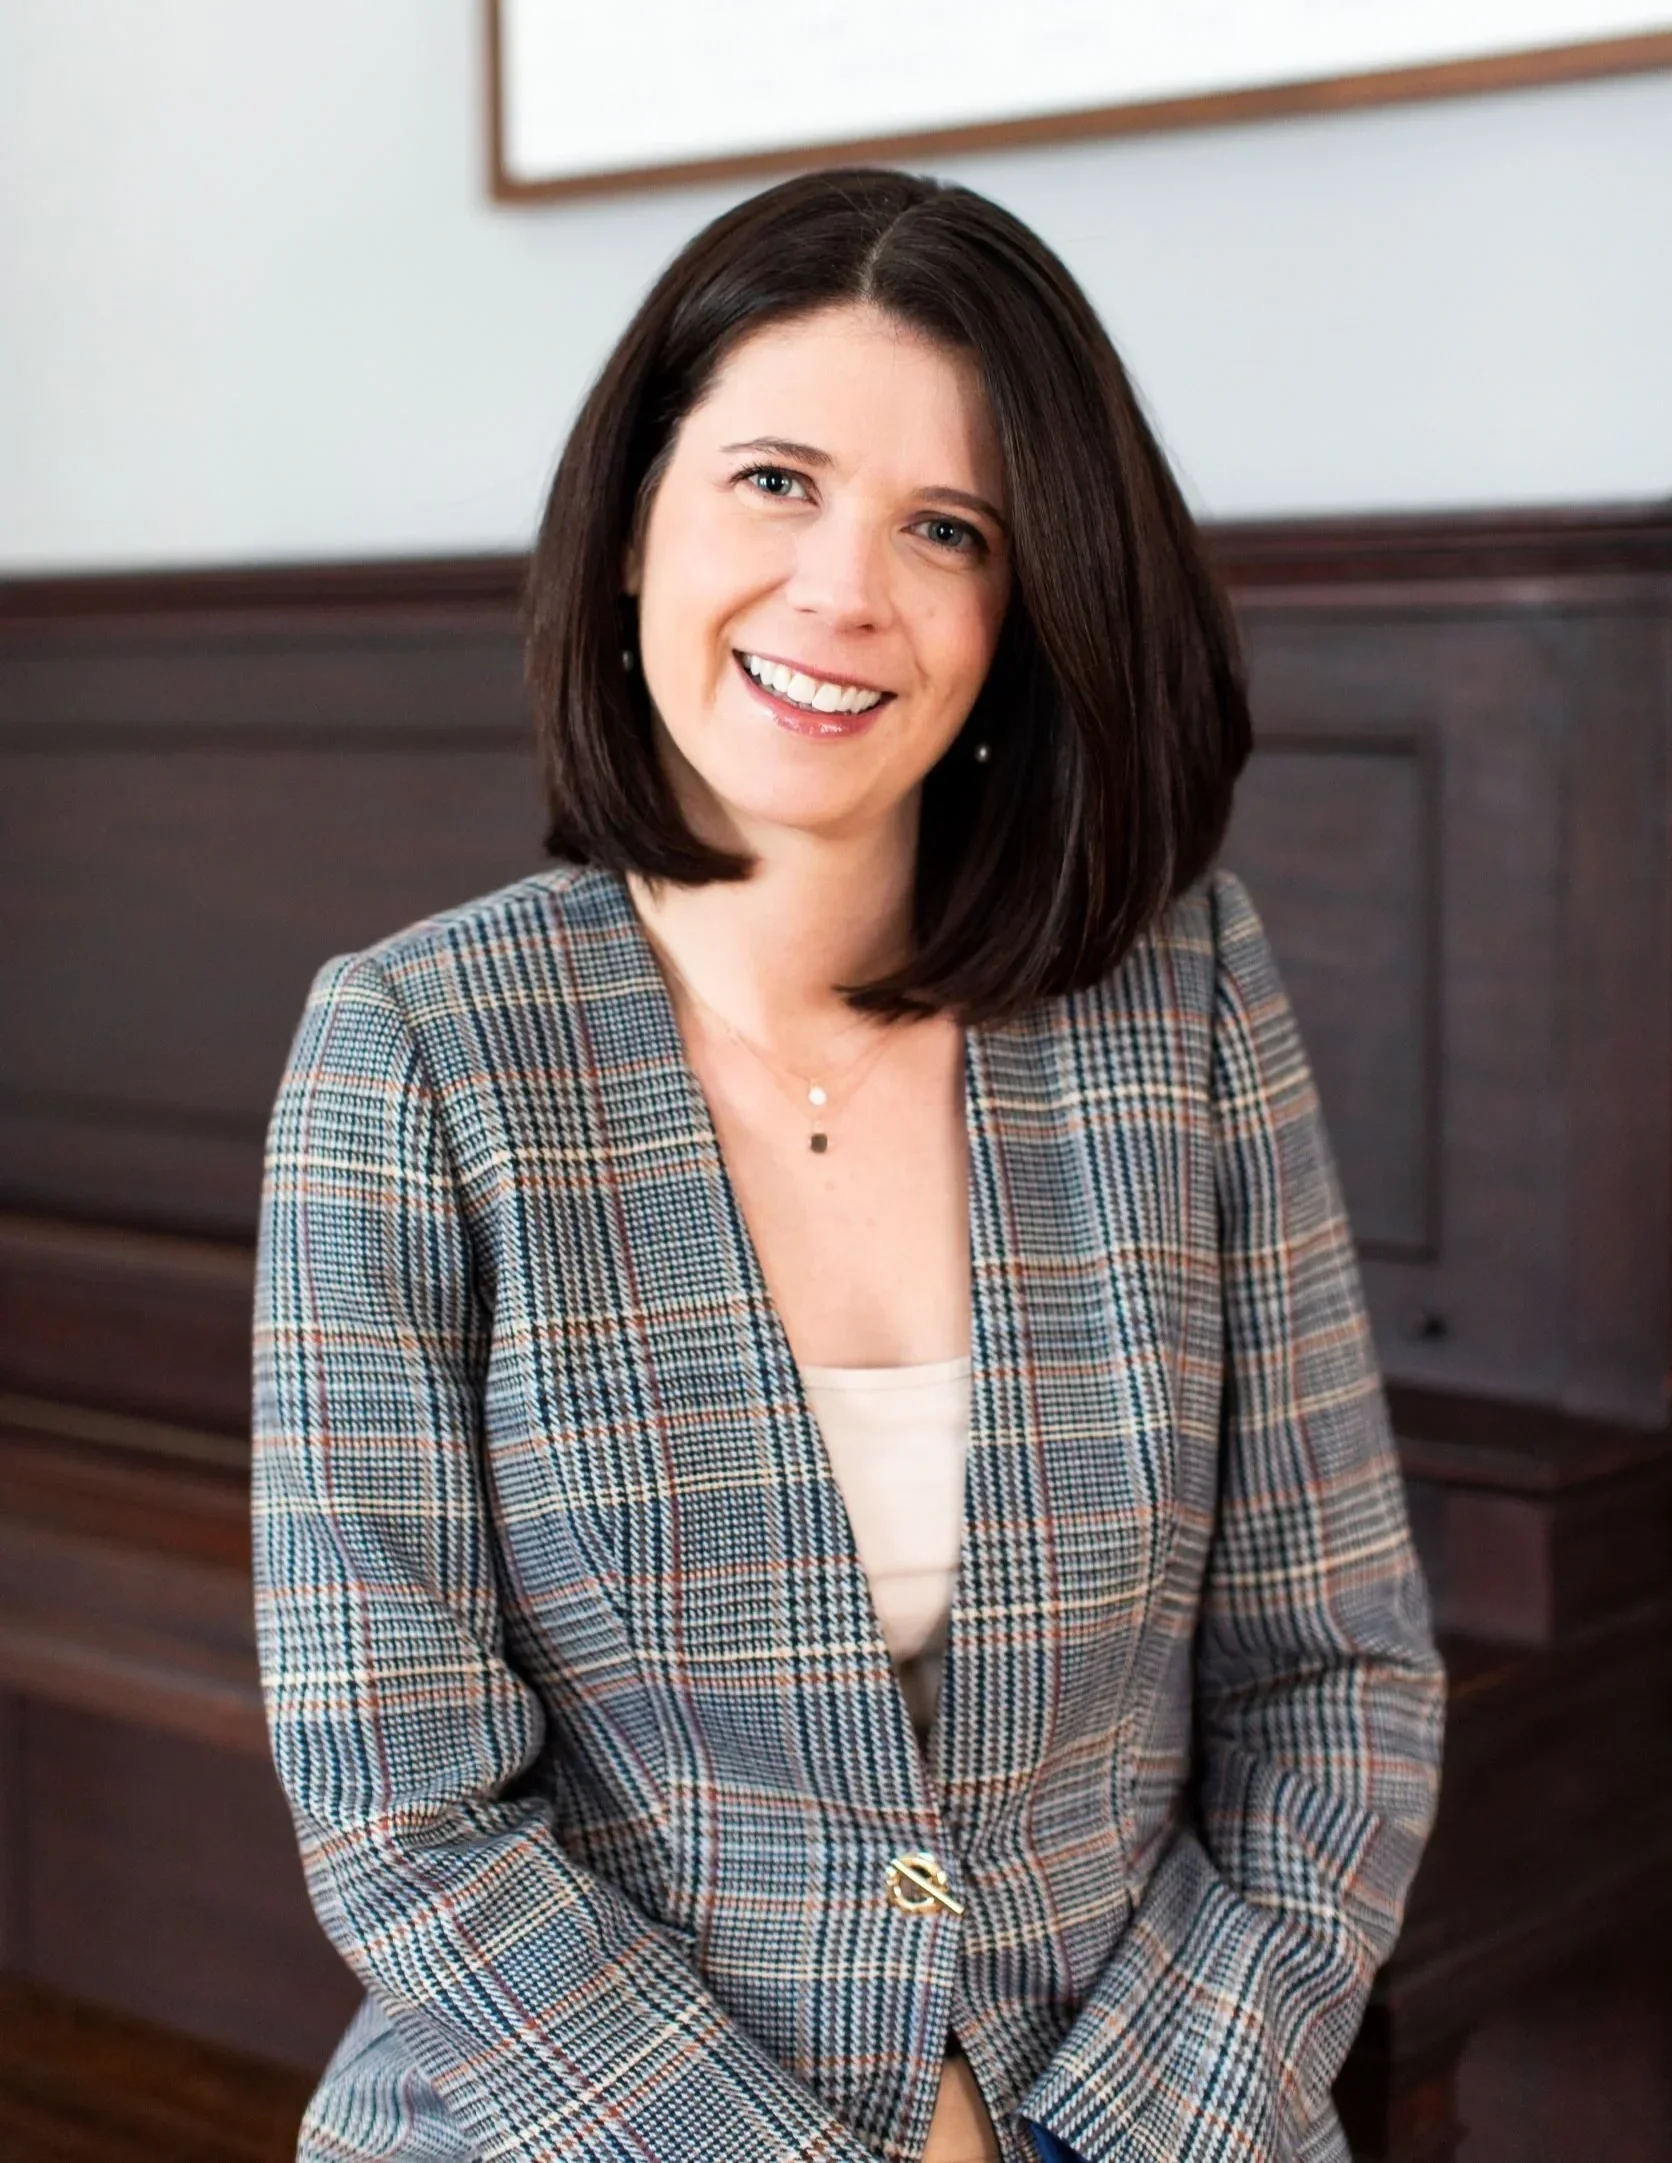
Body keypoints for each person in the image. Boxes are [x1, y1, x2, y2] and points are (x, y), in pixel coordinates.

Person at [252, 167, 1445, 2163]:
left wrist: (1106, 2128)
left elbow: (1336, 1680)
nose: (841, 592)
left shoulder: (1183, 998)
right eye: (774, 483)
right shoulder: (414, 1047)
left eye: (944, 528)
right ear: (632, 523)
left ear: (1021, 610)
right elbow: (404, 1809)